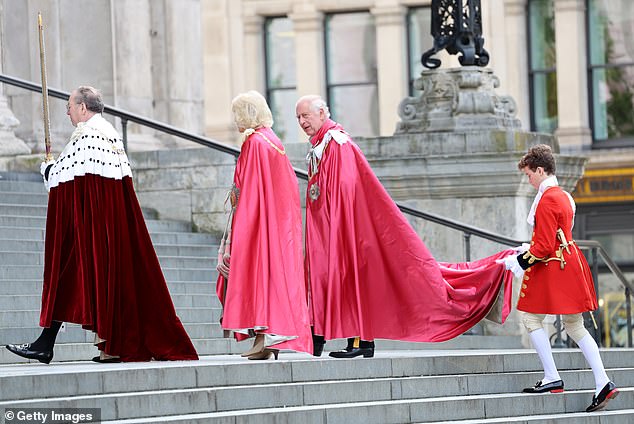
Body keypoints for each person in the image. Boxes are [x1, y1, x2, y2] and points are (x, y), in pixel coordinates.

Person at [296, 94, 515, 358]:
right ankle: (319, 333)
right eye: (298, 117)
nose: (302, 121)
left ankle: (359, 341)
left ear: (322, 113)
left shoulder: (338, 144)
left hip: (344, 229)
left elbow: (344, 192)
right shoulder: (321, 145)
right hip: (328, 229)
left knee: (351, 278)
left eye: (305, 115)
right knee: (323, 276)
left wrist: (337, 232)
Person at [6, 86, 198, 363]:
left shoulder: (88, 134)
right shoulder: (110, 133)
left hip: (91, 227)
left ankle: (51, 345)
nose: (67, 112)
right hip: (103, 227)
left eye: (70, 107)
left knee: (68, 275)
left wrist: (48, 168)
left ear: (83, 108)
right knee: (85, 279)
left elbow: (67, 181)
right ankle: (102, 347)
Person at [498, 144, 618, 412]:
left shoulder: (547, 198)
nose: (528, 180)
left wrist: (517, 262)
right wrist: (527, 249)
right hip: (569, 261)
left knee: (530, 318)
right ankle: (603, 382)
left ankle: (553, 377)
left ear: (540, 170)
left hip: (554, 265)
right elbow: (556, 236)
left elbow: (543, 247)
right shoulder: (563, 196)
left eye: (529, 174)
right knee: (576, 326)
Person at [215, 90, 312, 360]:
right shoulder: (272, 141)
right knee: (266, 281)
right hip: (276, 225)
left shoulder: (255, 143)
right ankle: (263, 339)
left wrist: (239, 230)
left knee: (256, 279)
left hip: (257, 224)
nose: (235, 121)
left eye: (237, 114)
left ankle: (264, 339)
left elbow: (248, 191)